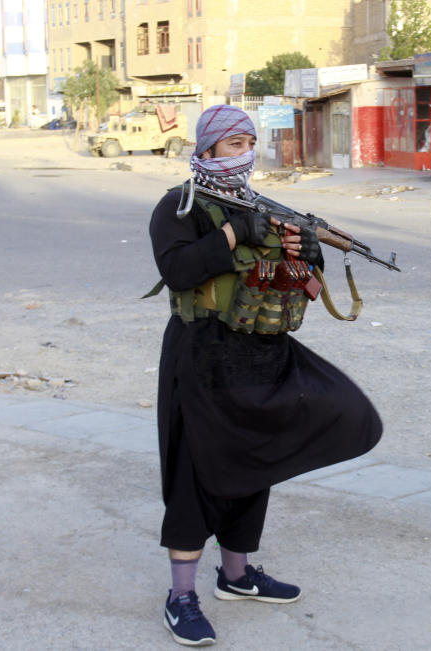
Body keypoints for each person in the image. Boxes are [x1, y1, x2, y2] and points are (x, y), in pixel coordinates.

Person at [149, 105, 383, 646]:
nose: (246, 152)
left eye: (251, 142)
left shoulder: (265, 206)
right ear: (206, 150)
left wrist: (308, 251)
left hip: (261, 353)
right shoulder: (178, 206)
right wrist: (233, 234)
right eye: (234, 144)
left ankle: (236, 575)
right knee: (196, 470)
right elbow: (177, 270)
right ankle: (180, 595)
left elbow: (299, 277)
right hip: (202, 355)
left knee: (255, 463)